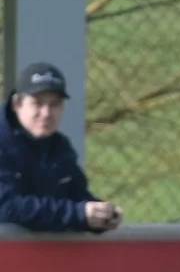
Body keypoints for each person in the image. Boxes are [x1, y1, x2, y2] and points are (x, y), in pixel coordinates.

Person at [0, 63, 122, 233]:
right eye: (37, 103)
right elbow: (6, 208)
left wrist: (101, 214)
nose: (46, 113)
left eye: (54, 104)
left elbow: (76, 197)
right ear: (17, 104)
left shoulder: (59, 147)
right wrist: (78, 214)